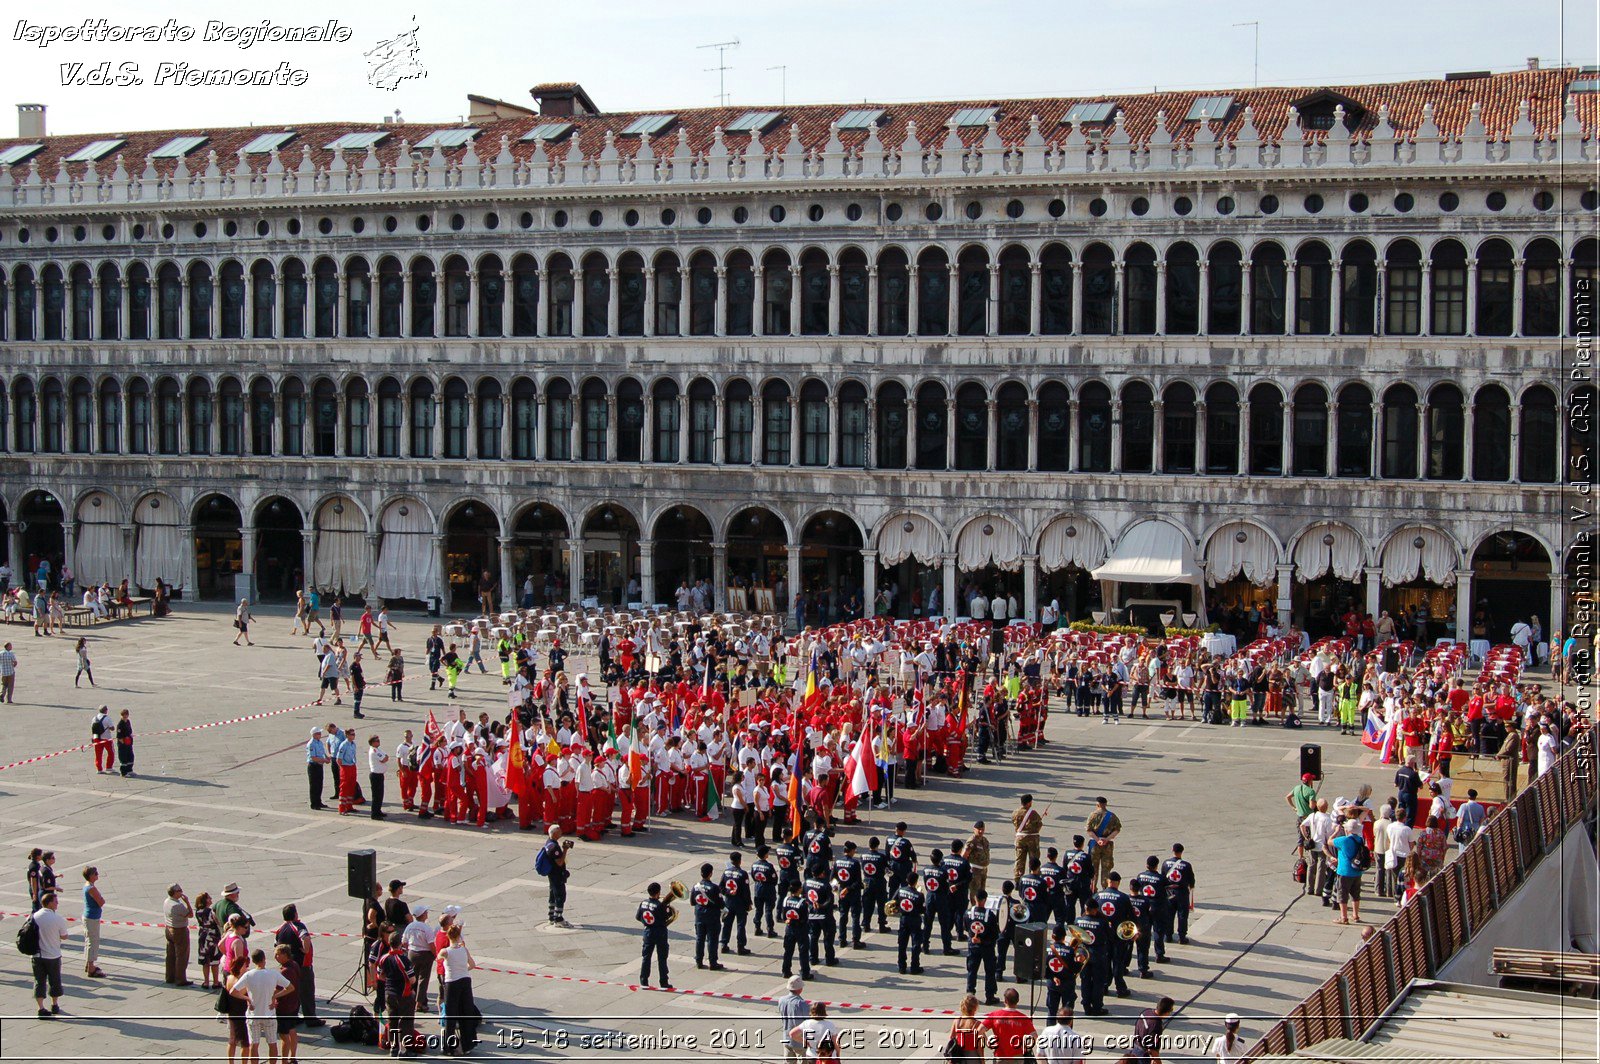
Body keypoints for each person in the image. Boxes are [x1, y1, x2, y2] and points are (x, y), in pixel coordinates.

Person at [229, 947, 293, 1063]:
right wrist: (275, 996)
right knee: (272, 1043)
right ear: (264, 959)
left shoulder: (249, 975)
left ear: (253, 961)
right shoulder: (273, 974)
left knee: (254, 1044)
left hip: (254, 1015)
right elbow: (290, 988)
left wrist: (247, 998)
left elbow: (233, 991)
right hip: (269, 1014)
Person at [439, 923, 480, 1054]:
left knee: (451, 1015)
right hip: (465, 980)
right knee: (466, 1012)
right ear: (458, 937)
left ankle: (449, 1046)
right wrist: (463, 970)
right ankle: (468, 1044)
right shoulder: (464, 950)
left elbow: (438, 957)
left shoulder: (446, 951)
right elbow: (472, 964)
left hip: (452, 982)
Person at [377, 929, 417, 1056]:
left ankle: (393, 1048)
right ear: (400, 944)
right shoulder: (403, 960)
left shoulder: (384, 958)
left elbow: (380, 976)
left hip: (389, 993)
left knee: (392, 1020)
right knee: (406, 1022)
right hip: (403, 994)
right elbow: (412, 979)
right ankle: (404, 1050)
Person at [30, 891, 70, 1018]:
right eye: (55, 901)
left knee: (39, 981)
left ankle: (41, 1008)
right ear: (50, 903)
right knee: (55, 981)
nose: (57, 903)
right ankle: (54, 1005)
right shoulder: (58, 919)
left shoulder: (34, 916)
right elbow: (64, 936)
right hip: (53, 955)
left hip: (37, 955)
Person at [1326, 819, 1365, 924]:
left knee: (1342, 894)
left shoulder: (1343, 840)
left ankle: (1344, 917)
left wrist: (1336, 832)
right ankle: (1355, 915)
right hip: (1357, 870)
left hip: (1344, 871)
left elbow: (1329, 841)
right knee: (1355, 894)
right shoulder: (1360, 839)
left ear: (1347, 829)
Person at [636, 881, 673, 989]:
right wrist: (668, 910)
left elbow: (638, 917)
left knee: (646, 957)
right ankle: (663, 981)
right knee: (662, 957)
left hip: (648, 932)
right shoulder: (659, 905)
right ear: (658, 892)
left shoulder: (643, 903)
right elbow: (666, 917)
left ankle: (644, 980)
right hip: (660, 933)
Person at [981, 987, 1037, 1060]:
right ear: (1017, 1001)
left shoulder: (995, 1015)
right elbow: (1034, 1036)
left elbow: (979, 1031)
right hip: (1017, 1056)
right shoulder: (1023, 1018)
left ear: (1005, 1000)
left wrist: (988, 1043)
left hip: (1000, 1056)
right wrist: (1025, 1047)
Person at [271, 943, 302, 1063]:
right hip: (294, 1003)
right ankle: (292, 1056)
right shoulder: (295, 965)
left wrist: (273, 996)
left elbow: (279, 989)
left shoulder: (284, 971)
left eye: (277, 954)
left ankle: (284, 1060)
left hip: (284, 1006)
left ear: (285, 955)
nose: (275, 957)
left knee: (284, 1035)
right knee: (292, 1029)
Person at [540, 826, 573, 927]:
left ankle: (551, 916)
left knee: (553, 894)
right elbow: (559, 862)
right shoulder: (554, 847)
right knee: (560, 895)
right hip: (556, 874)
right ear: (554, 834)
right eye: (559, 831)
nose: (561, 832)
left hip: (552, 874)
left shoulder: (549, 843)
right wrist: (565, 850)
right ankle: (558, 918)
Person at [1085, 797, 1120, 890]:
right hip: (1107, 845)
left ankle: (1093, 889)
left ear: (1098, 805)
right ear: (1105, 804)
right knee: (1106, 868)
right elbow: (1117, 830)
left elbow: (1089, 831)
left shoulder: (1092, 815)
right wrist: (1107, 839)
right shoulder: (1112, 816)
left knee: (1093, 869)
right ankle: (1105, 888)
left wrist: (1098, 840)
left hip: (1094, 845)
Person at [164, 882, 194, 985]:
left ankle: (169, 977)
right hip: (179, 930)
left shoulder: (167, 901)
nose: (182, 892)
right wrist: (187, 902)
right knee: (182, 956)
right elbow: (190, 914)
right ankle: (181, 979)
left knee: (170, 955)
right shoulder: (177, 905)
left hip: (169, 929)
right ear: (175, 893)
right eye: (180, 890)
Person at [1130, 996, 1174, 1062]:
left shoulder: (1146, 1011)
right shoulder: (1156, 1025)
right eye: (1171, 1010)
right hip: (1143, 1054)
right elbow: (1152, 1049)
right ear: (1166, 1012)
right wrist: (1158, 1061)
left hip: (1136, 1046)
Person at [779, 976, 809, 1064]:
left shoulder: (781, 1000)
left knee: (789, 1061)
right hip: (800, 1039)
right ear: (800, 989)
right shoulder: (801, 1003)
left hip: (786, 1036)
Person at [81, 866, 105, 978]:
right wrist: (101, 898)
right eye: (96, 873)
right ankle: (91, 967)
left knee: (88, 940)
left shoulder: (87, 885)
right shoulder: (91, 888)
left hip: (88, 916)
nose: (97, 875)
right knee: (93, 942)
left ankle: (88, 964)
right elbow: (101, 902)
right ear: (91, 875)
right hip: (92, 917)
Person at [946, 994, 983, 1062]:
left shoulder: (957, 1020)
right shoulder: (977, 1024)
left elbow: (951, 1037)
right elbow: (979, 1047)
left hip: (959, 1054)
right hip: (972, 1056)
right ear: (975, 1008)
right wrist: (982, 1060)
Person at [196, 892, 221, 989]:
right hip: (213, 936)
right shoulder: (211, 912)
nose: (211, 899)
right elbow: (217, 922)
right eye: (209, 898)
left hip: (202, 935)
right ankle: (215, 982)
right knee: (214, 960)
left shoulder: (198, 911)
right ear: (205, 900)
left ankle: (206, 982)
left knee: (205, 960)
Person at [305, 728, 329, 811]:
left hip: (319, 766)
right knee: (314, 786)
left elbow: (322, 752)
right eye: (318, 733)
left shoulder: (319, 742)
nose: (320, 735)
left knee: (319, 785)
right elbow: (313, 758)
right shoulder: (311, 744)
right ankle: (314, 803)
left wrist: (326, 757)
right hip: (313, 766)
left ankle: (319, 801)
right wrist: (324, 760)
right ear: (314, 734)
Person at [368, 734, 390, 820]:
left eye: (378, 740)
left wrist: (385, 758)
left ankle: (378, 810)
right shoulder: (374, 751)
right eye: (377, 741)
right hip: (375, 775)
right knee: (376, 795)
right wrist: (385, 758)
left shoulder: (377, 749)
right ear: (372, 742)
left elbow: (386, 756)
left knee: (380, 794)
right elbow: (384, 759)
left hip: (380, 775)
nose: (378, 742)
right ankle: (374, 813)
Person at [91, 705, 114, 773]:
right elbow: (112, 728)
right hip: (106, 738)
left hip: (96, 738)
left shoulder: (94, 718)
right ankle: (109, 767)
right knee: (111, 752)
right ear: (106, 710)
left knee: (98, 754)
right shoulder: (107, 718)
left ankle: (99, 769)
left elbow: (92, 728)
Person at [115, 708, 135, 776]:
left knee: (130, 756)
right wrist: (124, 743)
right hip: (123, 744)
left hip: (129, 743)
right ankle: (123, 772)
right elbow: (119, 736)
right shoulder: (120, 724)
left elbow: (130, 731)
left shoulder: (128, 721)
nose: (125, 717)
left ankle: (129, 770)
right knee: (123, 758)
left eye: (126, 715)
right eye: (124, 715)